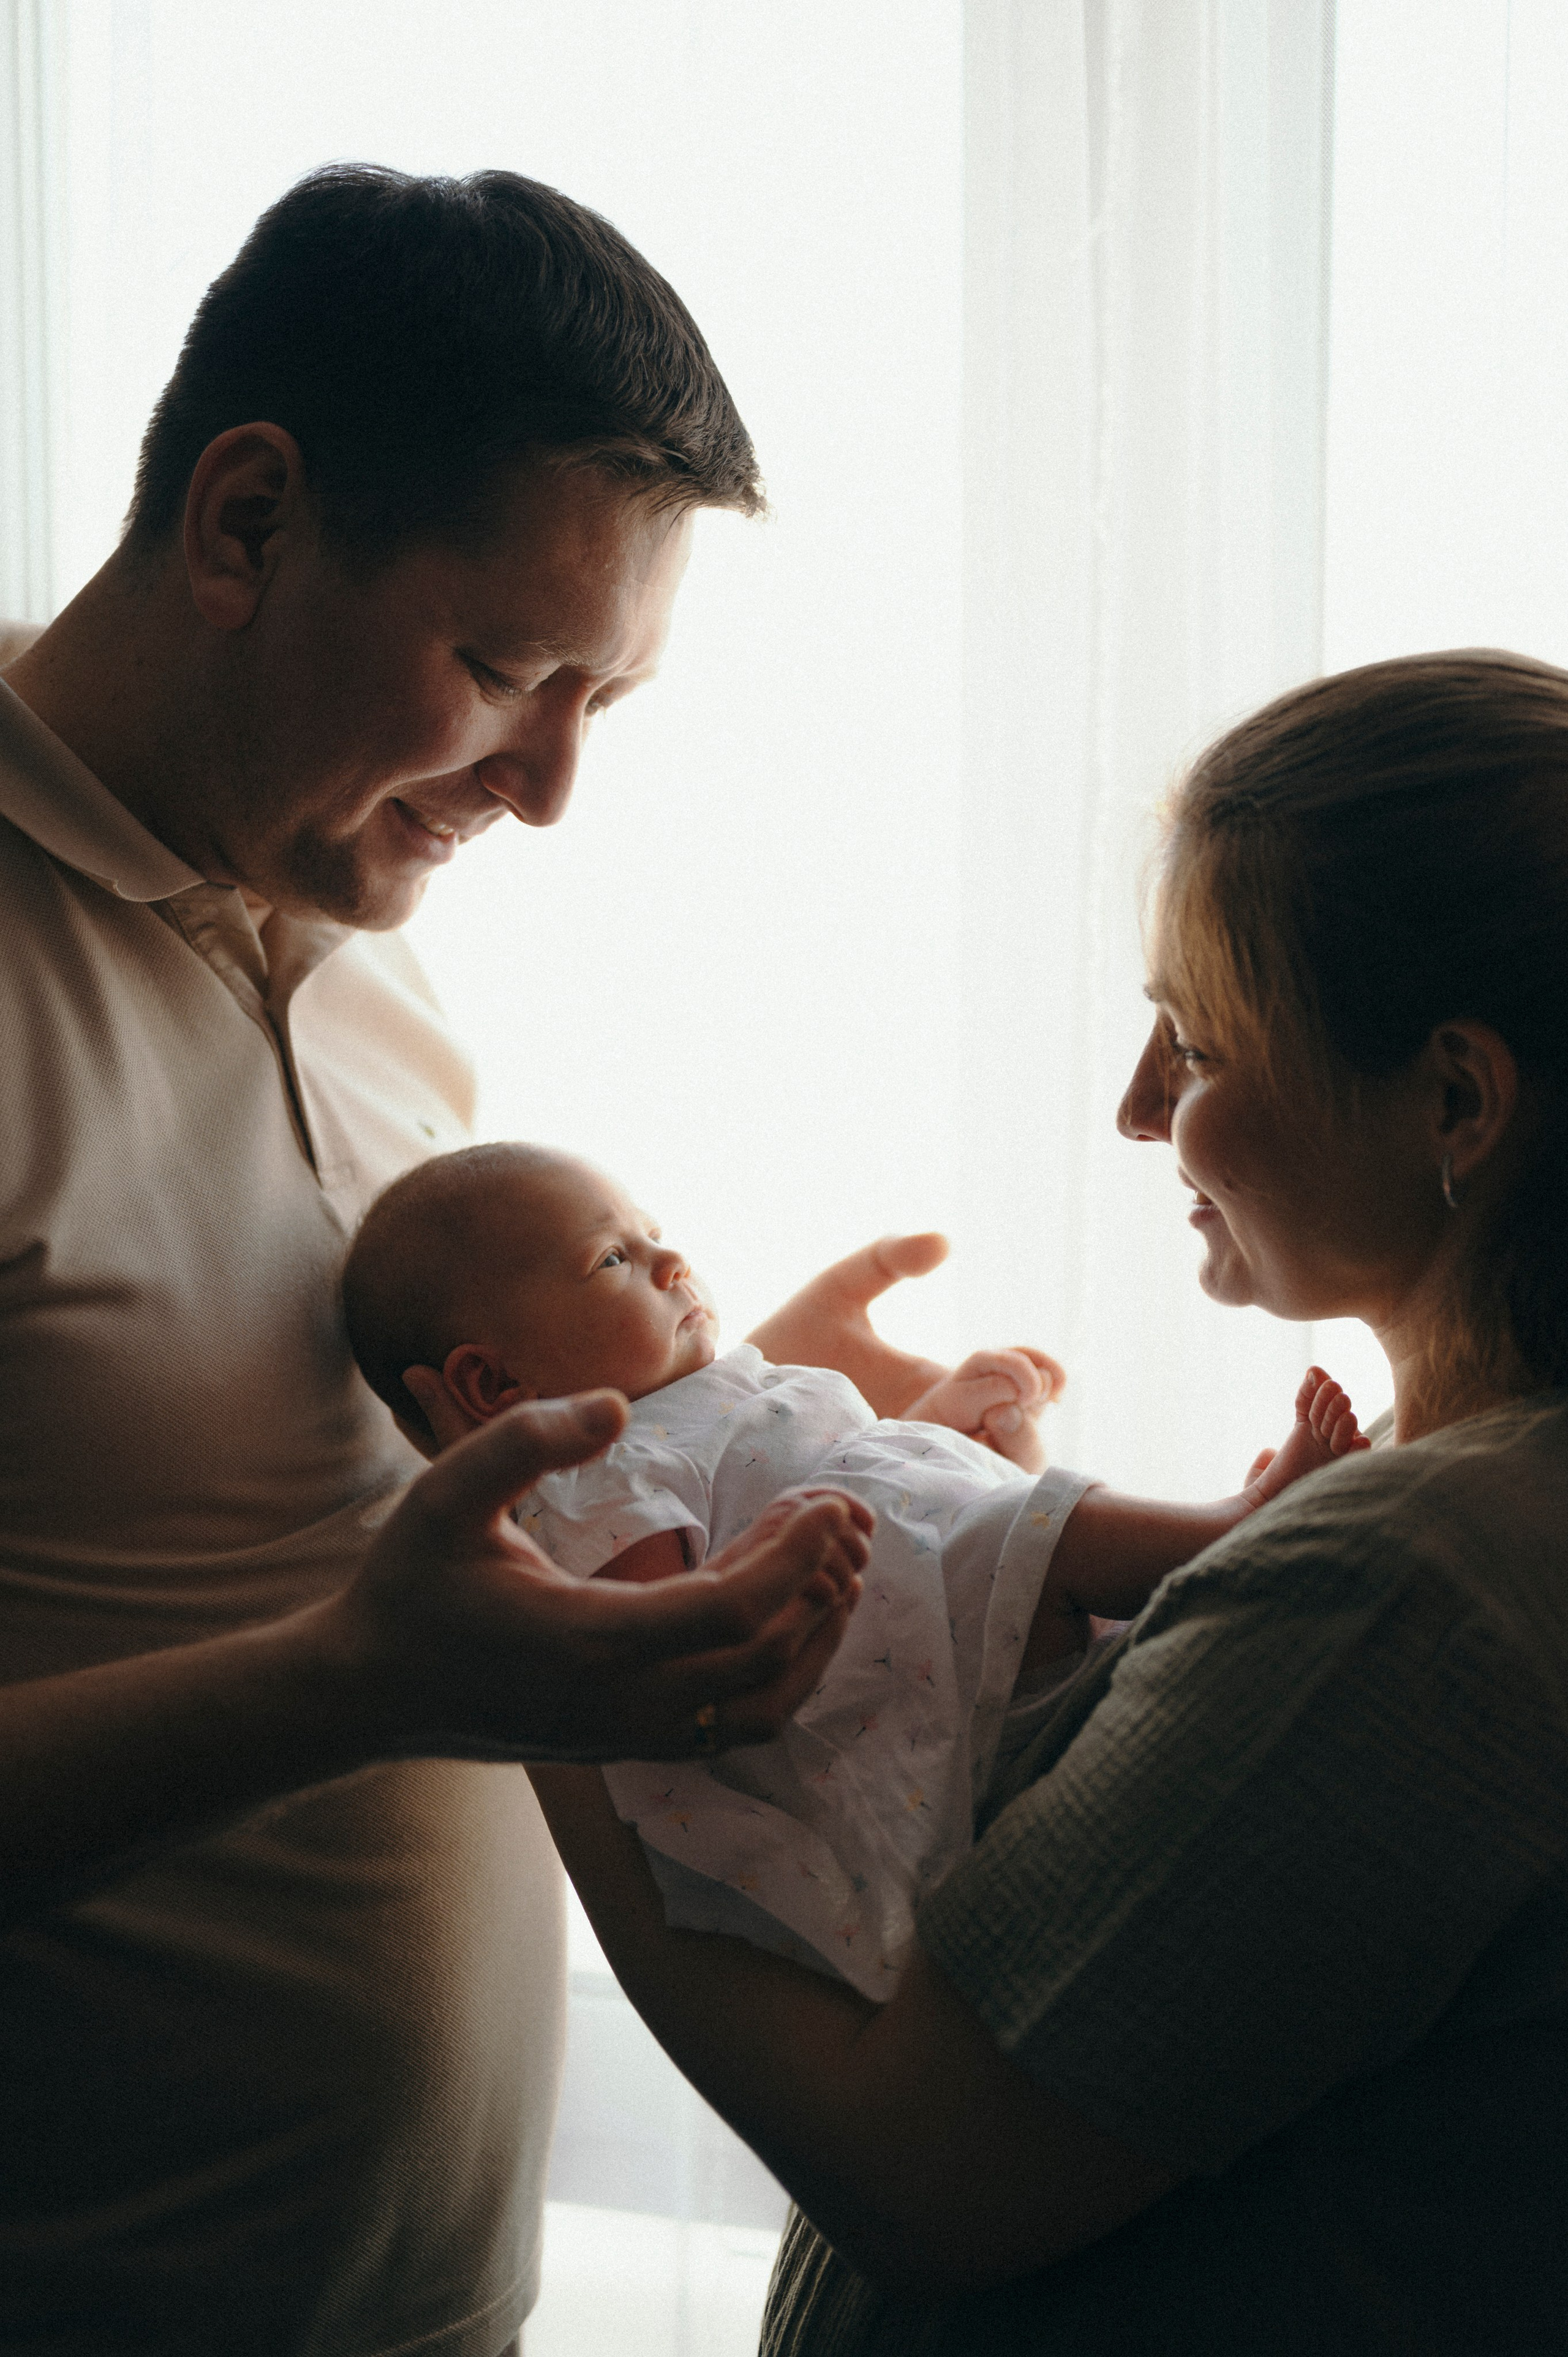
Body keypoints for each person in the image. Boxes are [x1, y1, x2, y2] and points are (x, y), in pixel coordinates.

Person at [0, 162, 939, 2357]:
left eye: (605, 694)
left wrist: (704, 1407)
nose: (549, 791)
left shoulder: (369, 953)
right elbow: (362, 1629)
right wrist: (371, 1674)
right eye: (509, 666)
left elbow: (301, 1488)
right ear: (243, 522)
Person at [519, 651, 1568, 2353]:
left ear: (1456, 1098)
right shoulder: (1461, 1506)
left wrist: (563, 1674)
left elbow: (919, 2169)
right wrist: (929, 1533)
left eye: (1201, 1041)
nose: (1142, 1108)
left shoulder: (1423, 1581)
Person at [343, 1139, 1363, 2000]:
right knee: (1021, 1532)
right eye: (613, 1259)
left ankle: (1164, 1550)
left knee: (1013, 1525)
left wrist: (946, 1433)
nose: (670, 1260)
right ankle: (1233, 1530)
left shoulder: (692, 1407)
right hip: (883, 1688)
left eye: (655, 1233)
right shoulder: (596, 1469)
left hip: (929, 1630)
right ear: (491, 1380)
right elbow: (662, 1634)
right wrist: (925, 1494)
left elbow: (826, 1492)